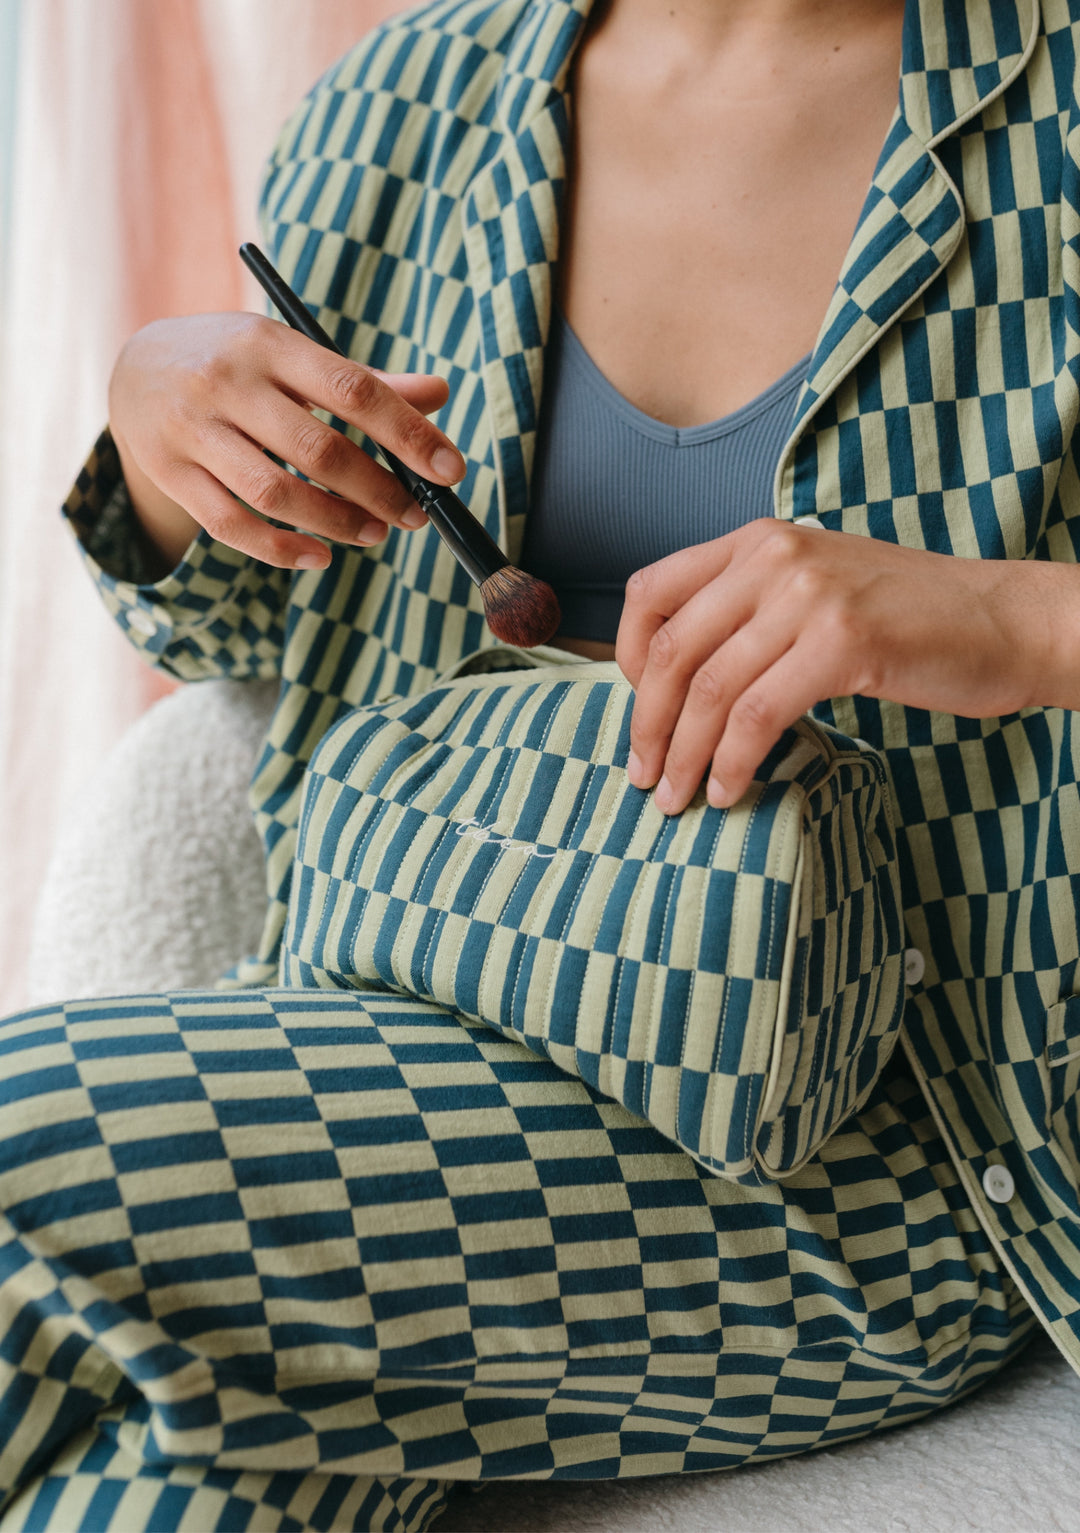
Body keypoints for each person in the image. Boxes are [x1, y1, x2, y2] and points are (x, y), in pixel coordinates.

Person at [2, 0, 1078, 1528]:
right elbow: (241, 620)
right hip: (388, 1006)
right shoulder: (401, 104)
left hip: (901, 1142)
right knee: (159, 1480)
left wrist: (1015, 619)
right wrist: (160, 424)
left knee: (20, 1151)